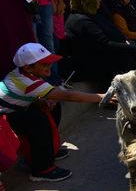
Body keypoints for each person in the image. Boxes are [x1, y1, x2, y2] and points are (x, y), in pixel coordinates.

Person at [2, 43, 114, 181]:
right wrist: (101, 97)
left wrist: (41, 101)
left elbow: (21, 97)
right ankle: (41, 169)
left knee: (52, 106)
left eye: (49, 62)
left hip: (14, 110)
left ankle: (49, 152)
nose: (49, 66)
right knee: (37, 120)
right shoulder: (28, 82)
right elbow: (68, 96)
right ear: (28, 67)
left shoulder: (22, 73)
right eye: (44, 64)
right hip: (5, 119)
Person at [64, 0, 136, 84]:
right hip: (93, 65)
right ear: (88, 1)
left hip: (102, 55)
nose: (99, 1)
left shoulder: (91, 14)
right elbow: (104, 44)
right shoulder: (80, 21)